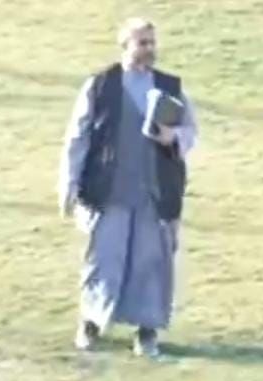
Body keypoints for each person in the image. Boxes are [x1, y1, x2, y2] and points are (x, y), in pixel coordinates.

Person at [59, 17, 198, 359]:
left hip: (154, 194)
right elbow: (78, 137)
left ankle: (146, 332)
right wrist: (69, 186)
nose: (149, 49)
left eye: (152, 42)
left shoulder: (170, 88)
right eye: (142, 43)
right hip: (108, 192)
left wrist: (173, 138)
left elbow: (191, 133)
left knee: (151, 264)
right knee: (103, 261)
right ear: (126, 46)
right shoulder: (101, 86)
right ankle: (91, 323)